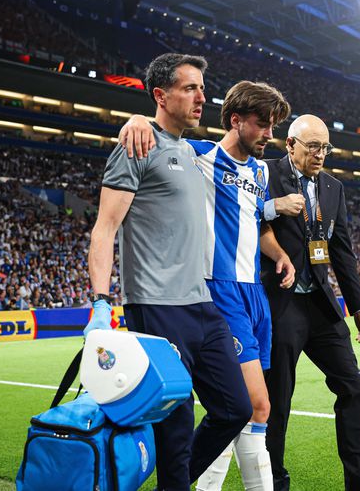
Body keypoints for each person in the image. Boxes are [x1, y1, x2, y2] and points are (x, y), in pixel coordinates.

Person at [118, 80, 305, 491]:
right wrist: (136, 119)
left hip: (254, 293)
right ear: (235, 120)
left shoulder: (259, 170)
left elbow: (255, 220)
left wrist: (279, 255)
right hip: (217, 291)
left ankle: (193, 486)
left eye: (274, 126)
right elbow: (160, 134)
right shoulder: (198, 156)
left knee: (246, 410)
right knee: (256, 404)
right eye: (262, 124)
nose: (269, 135)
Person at [87, 53, 253, 491]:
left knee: (235, 409)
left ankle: (171, 485)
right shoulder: (137, 145)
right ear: (161, 95)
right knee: (176, 430)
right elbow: (105, 229)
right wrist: (101, 303)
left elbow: (244, 157)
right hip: (157, 308)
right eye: (190, 88)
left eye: (202, 87)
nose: (202, 97)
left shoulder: (192, 151)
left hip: (202, 305)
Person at [261, 114, 360, 491]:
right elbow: (236, 217)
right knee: (277, 400)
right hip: (280, 303)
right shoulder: (263, 174)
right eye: (312, 146)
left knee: (351, 384)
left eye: (325, 146)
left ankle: (358, 482)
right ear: (290, 144)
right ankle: (275, 482)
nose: (320, 153)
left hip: (321, 305)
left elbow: (342, 251)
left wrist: (358, 306)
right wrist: (274, 206)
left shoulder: (333, 188)